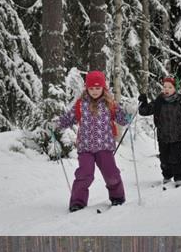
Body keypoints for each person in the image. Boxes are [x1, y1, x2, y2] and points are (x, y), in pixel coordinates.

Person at [56, 70, 131, 212]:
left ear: (103, 88)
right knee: (84, 174)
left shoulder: (110, 104)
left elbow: (122, 119)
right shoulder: (80, 104)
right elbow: (68, 118)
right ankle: (77, 202)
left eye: (98, 88)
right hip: (85, 147)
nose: (95, 91)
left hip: (105, 146)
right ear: (87, 88)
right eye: (91, 88)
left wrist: (129, 112)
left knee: (111, 173)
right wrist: (57, 123)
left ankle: (117, 197)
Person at [137, 77, 181, 187]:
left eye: (170, 87)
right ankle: (167, 176)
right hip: (163, 135)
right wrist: (143, 102)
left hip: (178, 134)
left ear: (175, 89)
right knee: (164, 158)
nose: (166, 89)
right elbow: (144, 111)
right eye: (165, 87)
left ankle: (180, 177)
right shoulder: (159, 101)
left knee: (176, 156)